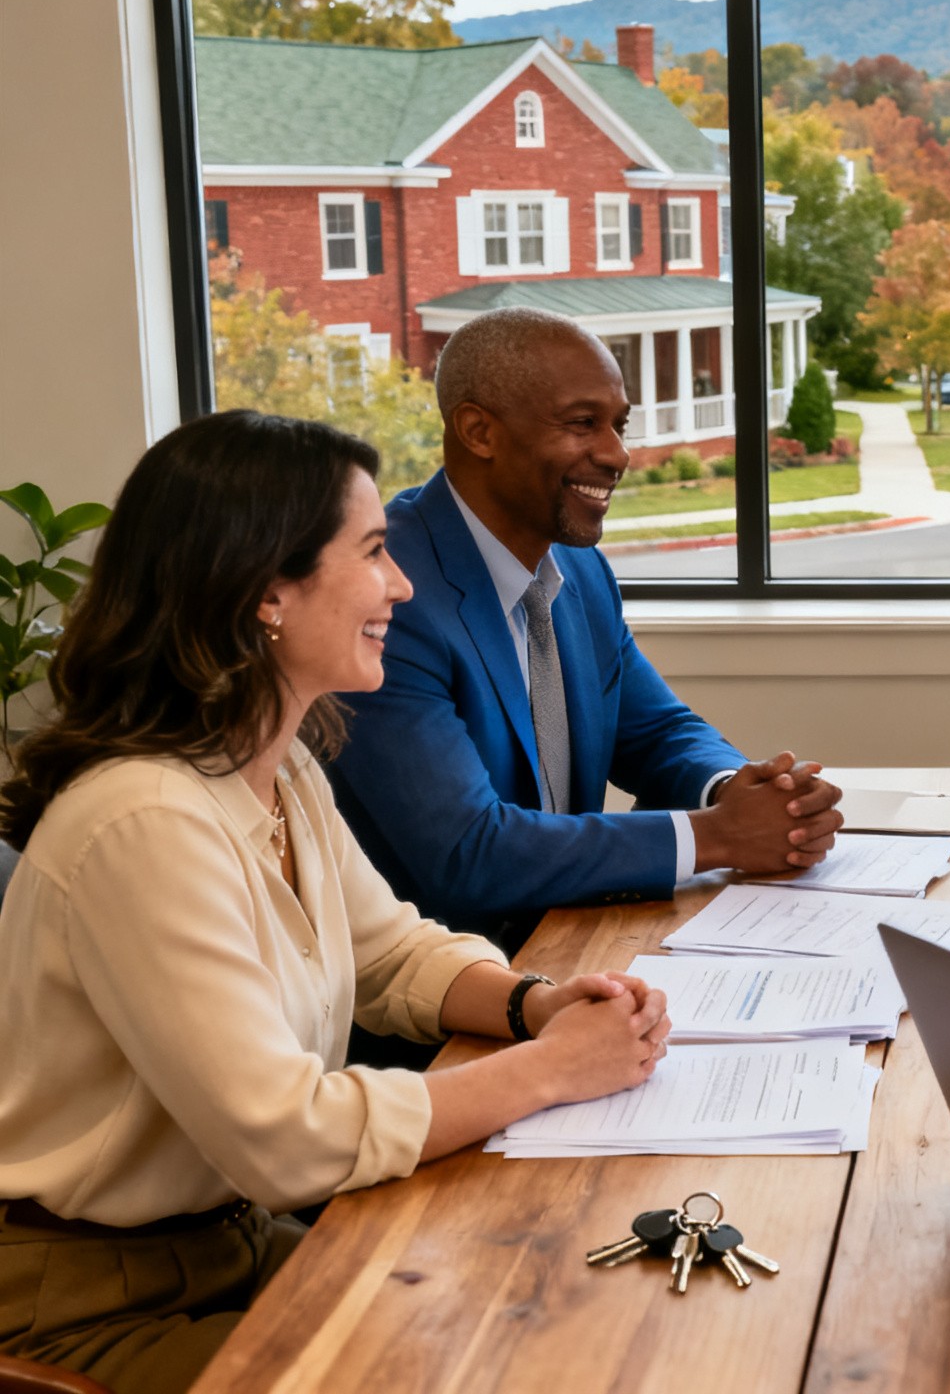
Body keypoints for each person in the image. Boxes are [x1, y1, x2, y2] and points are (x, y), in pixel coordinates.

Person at [0, 411, 671, 1394]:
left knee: (516, 1316)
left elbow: (391, 955)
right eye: (372, 554)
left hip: (222, 1246)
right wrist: (548, 1071)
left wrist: (532, 1003)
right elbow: (287, 1137)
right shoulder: (142, 820)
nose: (400, 585)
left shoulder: (278, 767)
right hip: (84, 1307)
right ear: (266, 591)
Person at [327, 307, 842, 950]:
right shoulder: (390, 597)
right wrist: (719, 836)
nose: (617, 454)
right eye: (582, 424)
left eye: (618, 425)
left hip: (574, 941)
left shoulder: (578, 567)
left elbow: (653, 730)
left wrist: (748, 792)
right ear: (479, 431)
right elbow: (466, 853)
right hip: (446, 998)